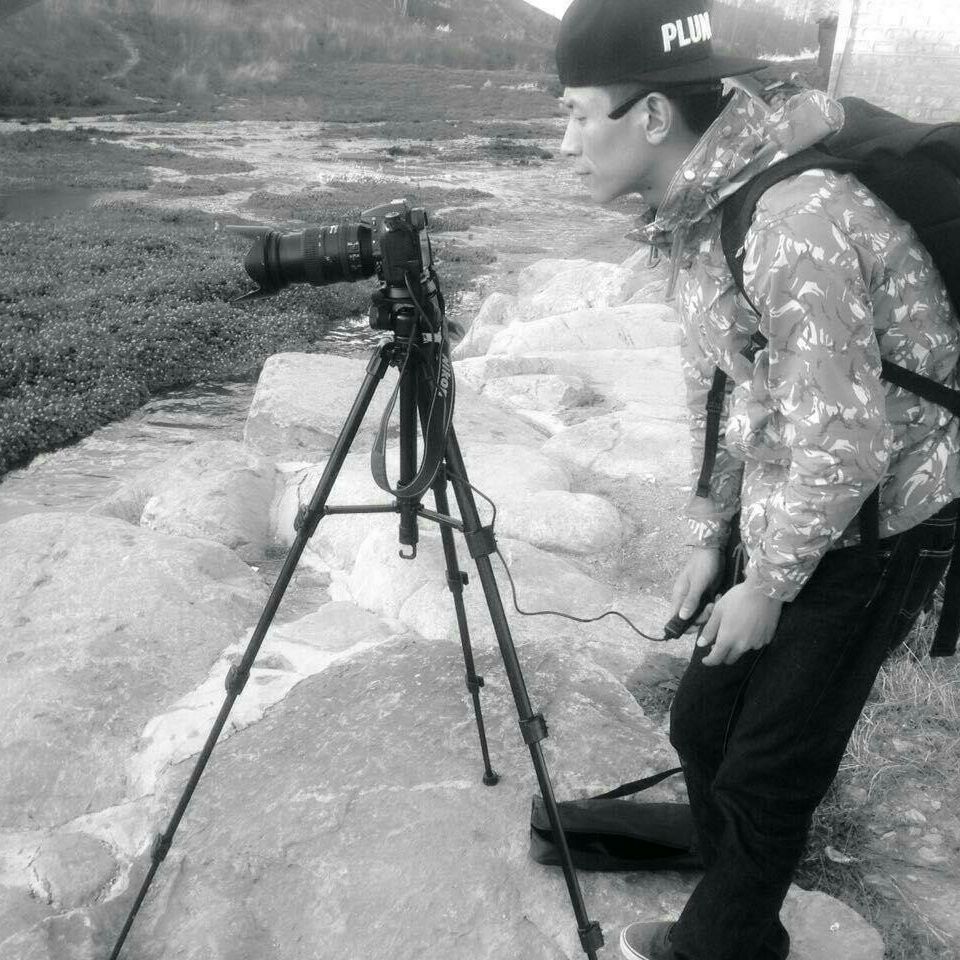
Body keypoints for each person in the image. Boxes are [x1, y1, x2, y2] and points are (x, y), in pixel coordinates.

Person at [554, 1, 960, 958]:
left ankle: (730, 939)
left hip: (885, 513)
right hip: (800, 487)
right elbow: (731, 380)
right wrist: (712, 536)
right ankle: (725, 850)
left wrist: (768, 585)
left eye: (577, 113)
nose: (564, 142)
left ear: (654, 116)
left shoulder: (789, 221)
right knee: (705, 718)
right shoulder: (705, 207)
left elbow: (850, 443)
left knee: (775, 756)